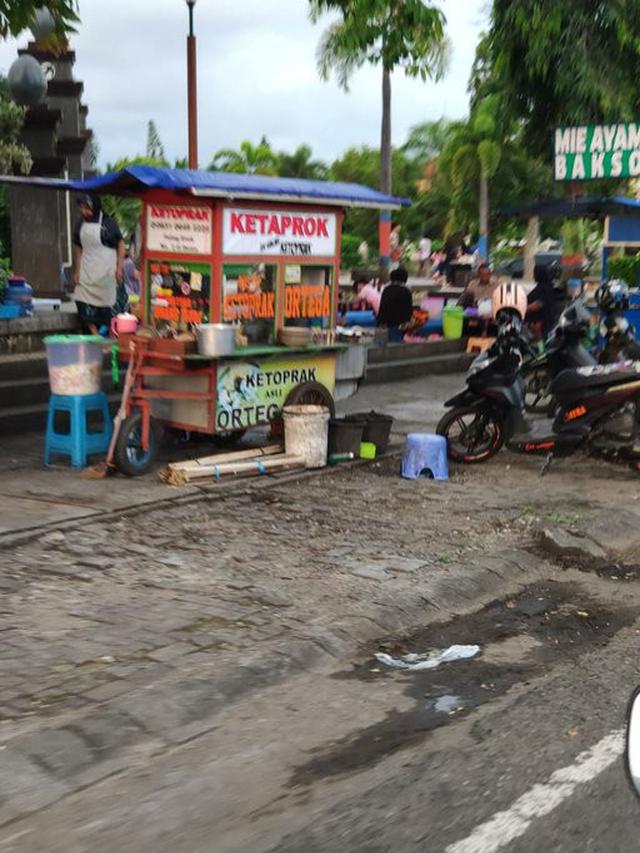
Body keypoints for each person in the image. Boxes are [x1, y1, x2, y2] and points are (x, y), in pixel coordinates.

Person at [73, 194, 125, 334]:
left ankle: (109, 336)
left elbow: (121, 244)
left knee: (108, 306)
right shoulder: (80, 224)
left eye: (87, 208)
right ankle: (93, 333)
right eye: (82, 208)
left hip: (106, 271)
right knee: (81, 300)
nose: (84, 211)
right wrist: (77, 270)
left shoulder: (108, 223)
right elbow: (78, 247)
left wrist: (119, 268)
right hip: (87, 270)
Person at [377, 266, 413, 342]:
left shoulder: (386, 289)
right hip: (398, 323)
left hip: (383, 322)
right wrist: (407, 321)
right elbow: (408, 309)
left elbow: (382, 307)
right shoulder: (405, 291)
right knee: (397, 341)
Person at [526, 264, 556, 338]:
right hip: (539, 321)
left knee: (538, 341)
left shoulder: (544, 288)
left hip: (541, 322)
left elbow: (538, 305)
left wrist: (522, 308)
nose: (534, 276)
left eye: (535, 273)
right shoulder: (544, 285)